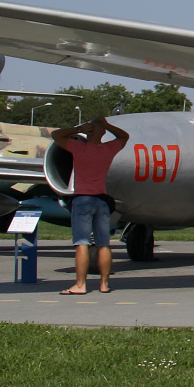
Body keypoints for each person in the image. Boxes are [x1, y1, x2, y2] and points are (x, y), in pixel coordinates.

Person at [51, 116, 129, 294]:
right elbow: (124, 137)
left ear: (89, 131)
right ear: (102, 133)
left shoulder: (79, 147)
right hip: (102, 200)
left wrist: (77, 129)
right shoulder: (109, 149)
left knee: (82, 243)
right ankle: (104, 284)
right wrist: (108, 126)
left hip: (82, 199)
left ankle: (80, 284)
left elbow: (56, 135)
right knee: (104, 244)